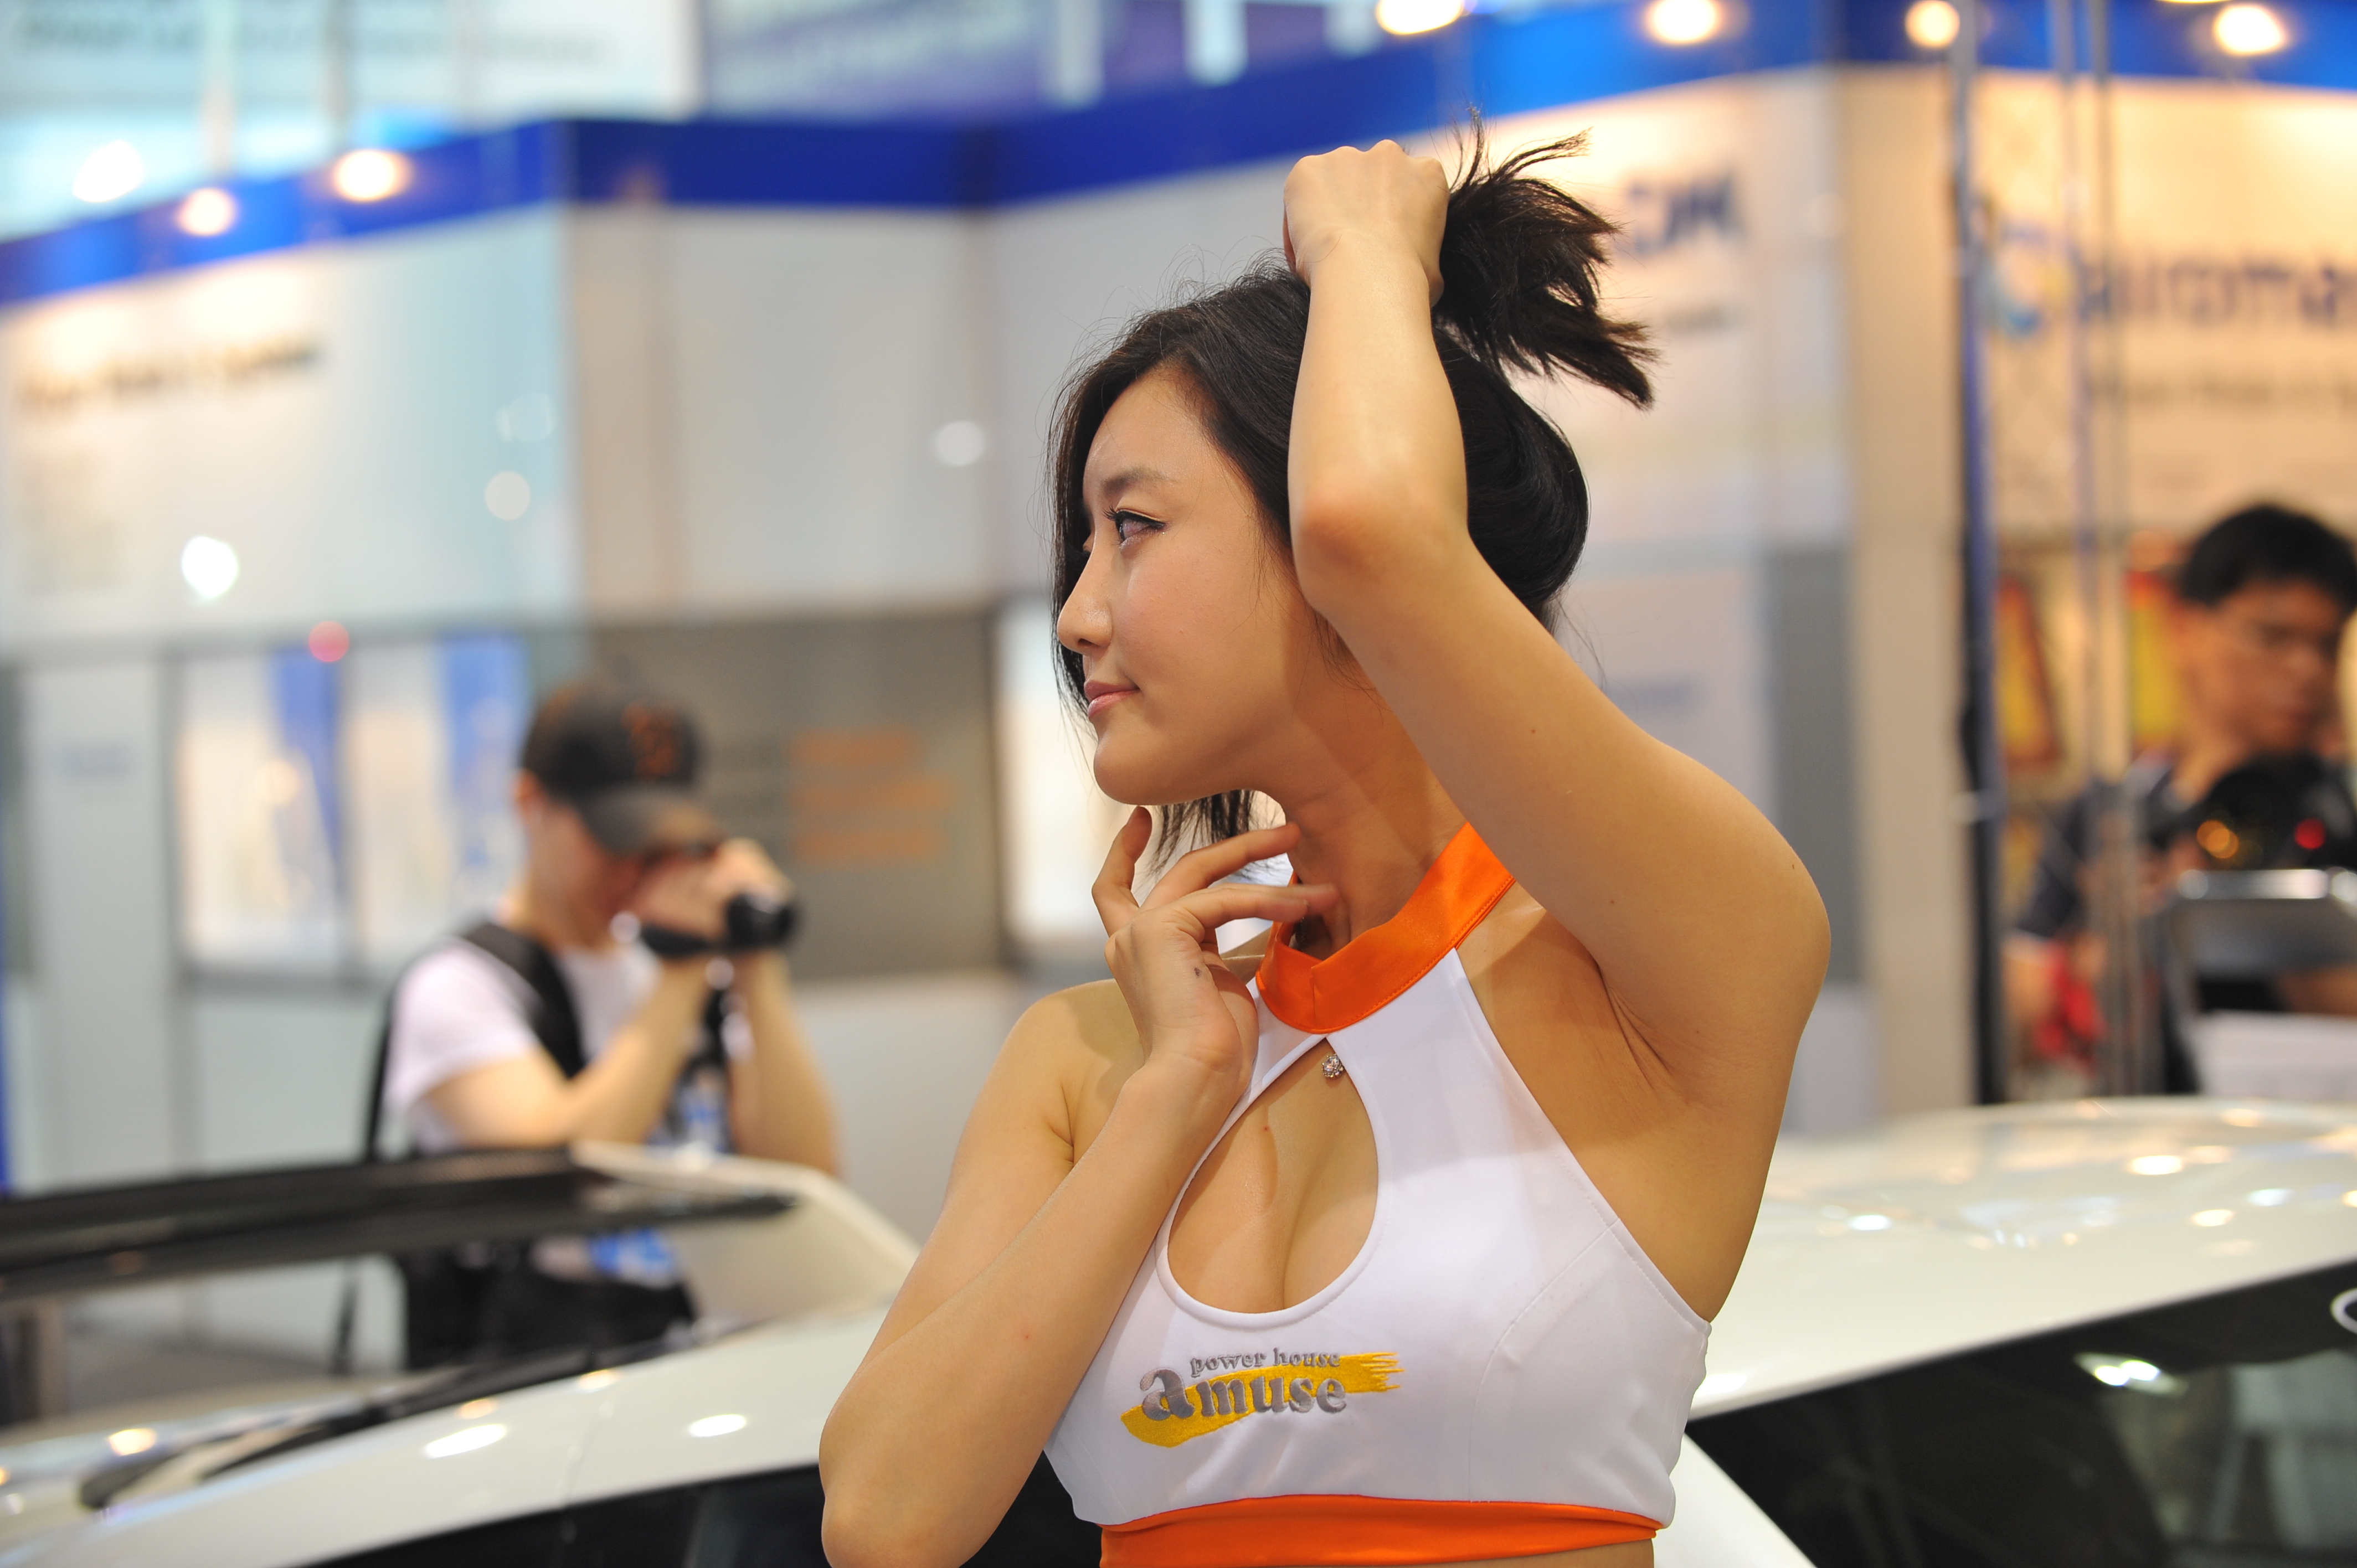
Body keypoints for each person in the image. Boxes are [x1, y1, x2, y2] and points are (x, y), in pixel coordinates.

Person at [818, 135, 1828, 1568]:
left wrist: (1364, 249)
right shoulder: (1091, 1061)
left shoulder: (1659, 963)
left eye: (1132, 529)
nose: (1078, 614)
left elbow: (1372, 533)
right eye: (1082, 546)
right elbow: (884, 1520)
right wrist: (1174, 1094)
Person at [373, 680, 840, 1365]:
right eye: (613, 838)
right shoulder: (459, 987)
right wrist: (682, 971)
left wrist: (755, 968)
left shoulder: (692, 977)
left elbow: (806, 1173)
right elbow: (567, 1174)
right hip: (526, 1379)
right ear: (530, 805)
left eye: (659, 843)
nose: (632, 868)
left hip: (693, 1354)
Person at [2007, 504, 2357, 1081]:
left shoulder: (2341, 806)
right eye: (2272, 637)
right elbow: (2016, 1024)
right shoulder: (2111, 813)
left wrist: (2265, 929)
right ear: (2185, 629)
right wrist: (2108, 944)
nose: (2306, 669)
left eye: (2326, 644)